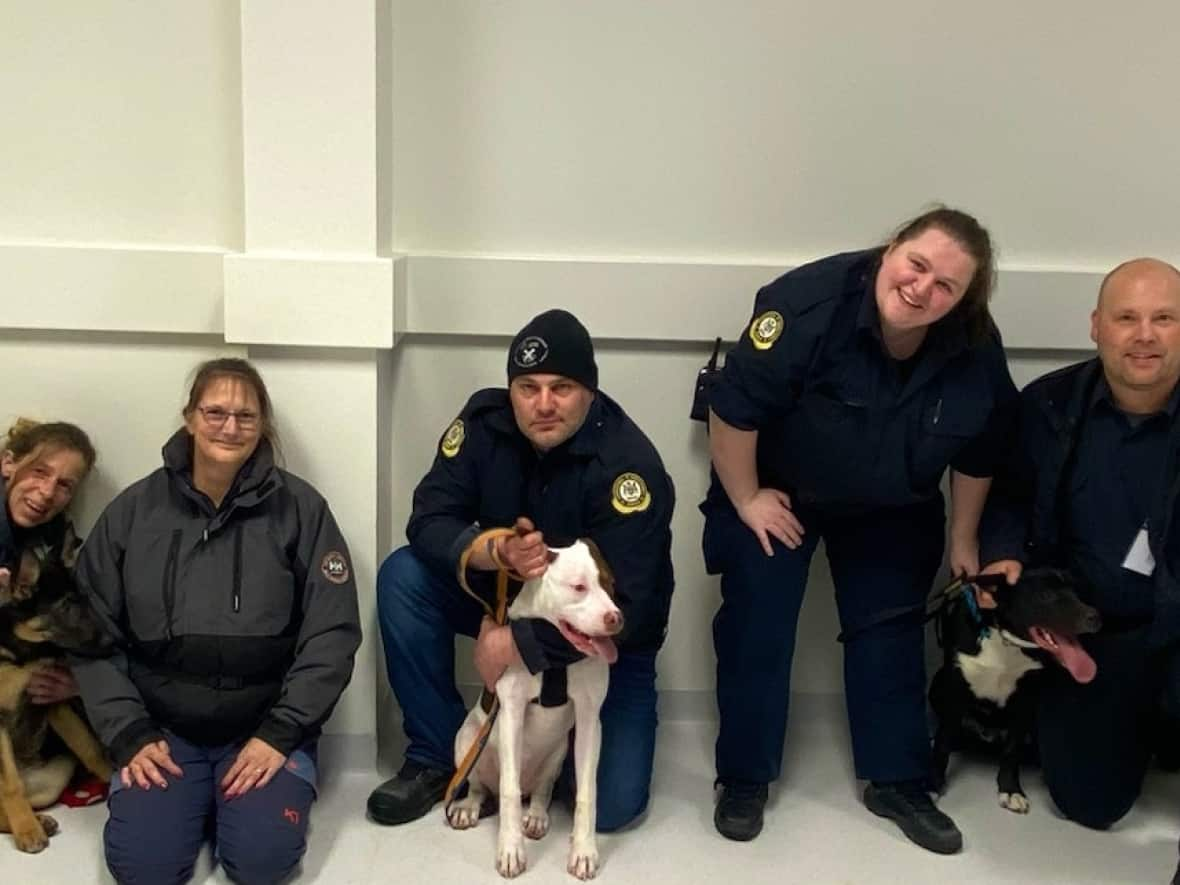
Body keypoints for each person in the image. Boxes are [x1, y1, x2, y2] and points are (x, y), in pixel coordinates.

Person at [703, 206, 1018, 852]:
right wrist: (746, 497)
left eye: (946, 285)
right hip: (781, 487)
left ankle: (897, 779)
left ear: (963, 302)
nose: (922, 287)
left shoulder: (975, 348)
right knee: (758, 618)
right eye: (917, 264)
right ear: (891, 248)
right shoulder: (806, 306)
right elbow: (732, 407)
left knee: (890, 630)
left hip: (891, 504)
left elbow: (981, 451)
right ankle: (743, 777)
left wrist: (964, 540)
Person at [367, 308, 675, 832]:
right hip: (503, 597)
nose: (543, 404)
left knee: (614, 808)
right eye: (527, 387)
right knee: (404, 578)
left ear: (590, 390)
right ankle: (439, 752)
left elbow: (637, 608)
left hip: (600, 641)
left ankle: (558, 754)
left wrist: (514, 645)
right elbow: (429, 518)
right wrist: (488, 550)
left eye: (562, 387)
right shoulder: (485, 425)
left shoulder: (628, 465)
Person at [72, 358, 362, 885]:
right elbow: (90, 635)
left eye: (246, 417)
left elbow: (332, 635)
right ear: (189, 418)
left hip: (262, 728)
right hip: (163, 733)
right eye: (215, 412)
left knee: (261, 864)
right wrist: (129, 733)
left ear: (262, 427)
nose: (230, 427)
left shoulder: (301, 509)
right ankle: (188, 801)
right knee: (144, 869)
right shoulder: (133, 511)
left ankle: (231, 805)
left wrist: (281, 732)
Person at [977, 258, 1180, 883]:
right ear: (1096, 326)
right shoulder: (1048, 405)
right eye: (1127, 317)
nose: (1144, 334)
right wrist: (1004, 550)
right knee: (1090, 804)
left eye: (1164, 318)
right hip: (1092, 636)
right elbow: (1009, 495)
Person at [0, 418, 95, 706]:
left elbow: (70, 608)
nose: (47, 492)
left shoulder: (53, 536)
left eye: (64, 485)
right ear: (8, 464)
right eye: (39, 472)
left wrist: (79, 681)